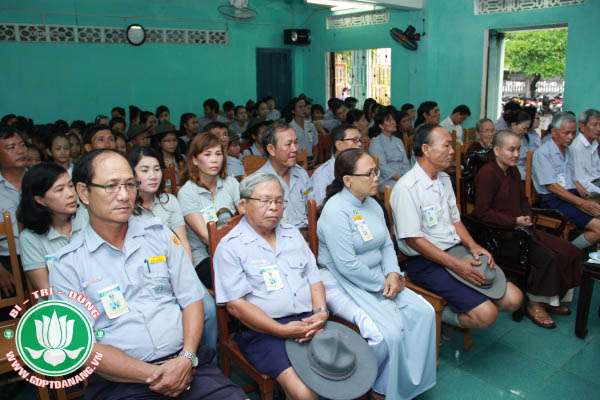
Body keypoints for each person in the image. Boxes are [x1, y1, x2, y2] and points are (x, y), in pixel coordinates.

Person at [49, 149, 245, 399]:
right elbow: (82, 347)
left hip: (186, 365)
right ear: (84, 192)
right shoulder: (68, 265)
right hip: (122, 381)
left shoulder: (159, 235)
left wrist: (186, 358)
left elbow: (191, 299)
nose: (124, 195)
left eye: (130, 185)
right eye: (111, 186)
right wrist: (157, 374)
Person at [317, 148, 436, 399]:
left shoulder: (372, 204)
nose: (376, 178)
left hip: (381, 276)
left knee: (424, 313)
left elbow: (386, 245)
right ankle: (367, 385)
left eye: (376, 172)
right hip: (342, 280)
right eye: (369, 173)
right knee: (388, 333)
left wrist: (393, 273)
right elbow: (346, 264)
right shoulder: (335, 211)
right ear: (348, 180)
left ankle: (401, 379)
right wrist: (384, 283)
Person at [391, 124, 523, 330]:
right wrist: (456, 265)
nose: (453, 151)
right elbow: (413, 240)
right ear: (426, 149)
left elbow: (455, 220)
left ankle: (463, 302)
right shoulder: (407, 188)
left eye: (452, 146)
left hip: (456, 251)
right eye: (446, 146)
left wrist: (473, 246)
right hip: (425, 262)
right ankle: (436, 316)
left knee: (514, 299)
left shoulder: (444, 179)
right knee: (487, 315)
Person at [213, 172, 326, 400]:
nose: (274, 207)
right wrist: (281, 330)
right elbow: (236, 306)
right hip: (264, 331)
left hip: (308, 321)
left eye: (278, 201)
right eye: (265, 201)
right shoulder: (231, 246)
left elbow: (314, 278)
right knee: (304, 393)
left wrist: (321, 313)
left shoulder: (292, 234)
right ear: (243, 205)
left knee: (345, 373)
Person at [473, 131, 581, 328]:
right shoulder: (487, 174)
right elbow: (482, 213)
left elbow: (523, 199)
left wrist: (527, 216)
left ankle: (553, 299)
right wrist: (514, 221)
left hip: (523, 229)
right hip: (500, 235)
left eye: (518, 149)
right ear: (496, 150)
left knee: (569, 250)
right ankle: (535, 303)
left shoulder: (513, 171)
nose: (516, 155)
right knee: (548, 257)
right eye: (511, 150)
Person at [127, 146, 218, 353]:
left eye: (156, 169)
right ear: (131, 174)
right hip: (146, 277)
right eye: (144, 170)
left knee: (209, 311)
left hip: (178, 270)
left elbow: (183, 243)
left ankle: (208, 360)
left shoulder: (169, 202)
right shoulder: (127, 208)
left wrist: (184, 275)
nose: (153, 175)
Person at [178, 133, 240, 290]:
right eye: (207, 154)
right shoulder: (187, 193)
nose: (214, 159)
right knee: (234, 280)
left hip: (236, 249)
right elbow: (207, 238)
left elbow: (247, 218)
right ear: (194, 160)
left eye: (218, 154)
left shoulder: (231, 183)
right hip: (205, 256)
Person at [17, 163, 88, 292]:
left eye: (71, 186)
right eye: (60, 189)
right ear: (40, 200)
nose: (71, 194)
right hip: (61, 303)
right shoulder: (29, 238)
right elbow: (46, 290)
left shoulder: (88, 218)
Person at [533, 112, 600, 249]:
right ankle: (567, 253)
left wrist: (588, 198)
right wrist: (583, 203)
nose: (571, 137)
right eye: (566, 133)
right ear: (554, 132)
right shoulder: (543, 153)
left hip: (570, 196)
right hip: (553, 201)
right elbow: (552, 187)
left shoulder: (567, 151)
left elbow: (574, 181)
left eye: (573, 133)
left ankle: (572, 252)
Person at [257, 122, 313, 232]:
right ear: (271, 149)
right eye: (288, 144)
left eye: (296, 143)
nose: (295, 149)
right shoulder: (260, 183)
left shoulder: (301, 173)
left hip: (307, 234)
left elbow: (311, 205)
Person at [0, 126, 26, 298]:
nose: (20, 151)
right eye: (11, 147)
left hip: (44, 255)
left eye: (22, 145)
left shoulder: (40, 180)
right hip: (8, 261)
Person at [311, 124, 363, 206]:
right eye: (355, 140)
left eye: (360, 140)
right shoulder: (323, 174)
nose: (360, 144)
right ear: (339, 145)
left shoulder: (361, 168)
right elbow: (321, 206)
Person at [368, 108, 411, 193]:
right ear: (381, 126)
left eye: (393, 120)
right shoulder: (376, 143)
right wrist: (401, 179)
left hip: (402, 176)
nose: (393, 122)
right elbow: (382, 167)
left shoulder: (398, 141)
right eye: (389, 121)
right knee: (405, 188)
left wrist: (408, 176)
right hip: (386, 180)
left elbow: (405, 162)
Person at [571, 109, 600, 194]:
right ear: (582, 127)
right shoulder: (576, 147)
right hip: (589, 188)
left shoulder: (594, 143)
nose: (599, 129)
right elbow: (581, 182)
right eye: (594, 125)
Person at [150, 122, 186, 186]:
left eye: (174, 140)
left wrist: (176, 170)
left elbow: (187, 181)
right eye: (168, 141)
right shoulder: (154, 161)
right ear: (159, 143)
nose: (172, 144)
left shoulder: (182, 158)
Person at [288, 97, 319, 166]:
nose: (304, 109)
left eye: (304, 106)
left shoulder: (311, 126)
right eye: (300, 107)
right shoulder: (289, 128)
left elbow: (315, 145)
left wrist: (314, 159)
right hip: (296, 161)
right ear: (293, 111)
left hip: (311, 159)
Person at [507, 110, 532, 180]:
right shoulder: (504, 140)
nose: (526, 131)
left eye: (527, 129)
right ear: (513, 125)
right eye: (524, 128)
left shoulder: (521, 139)